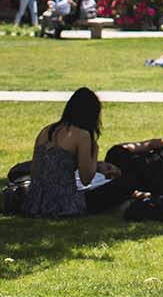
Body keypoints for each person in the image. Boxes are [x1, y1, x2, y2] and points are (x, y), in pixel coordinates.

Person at [25, 88, 128, 216]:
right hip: (63, 204)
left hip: (35, 202)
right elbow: (86, 178)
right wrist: (95, 151)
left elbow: (34, 171)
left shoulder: (46, 130)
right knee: (124, 185)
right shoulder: (82, 135)